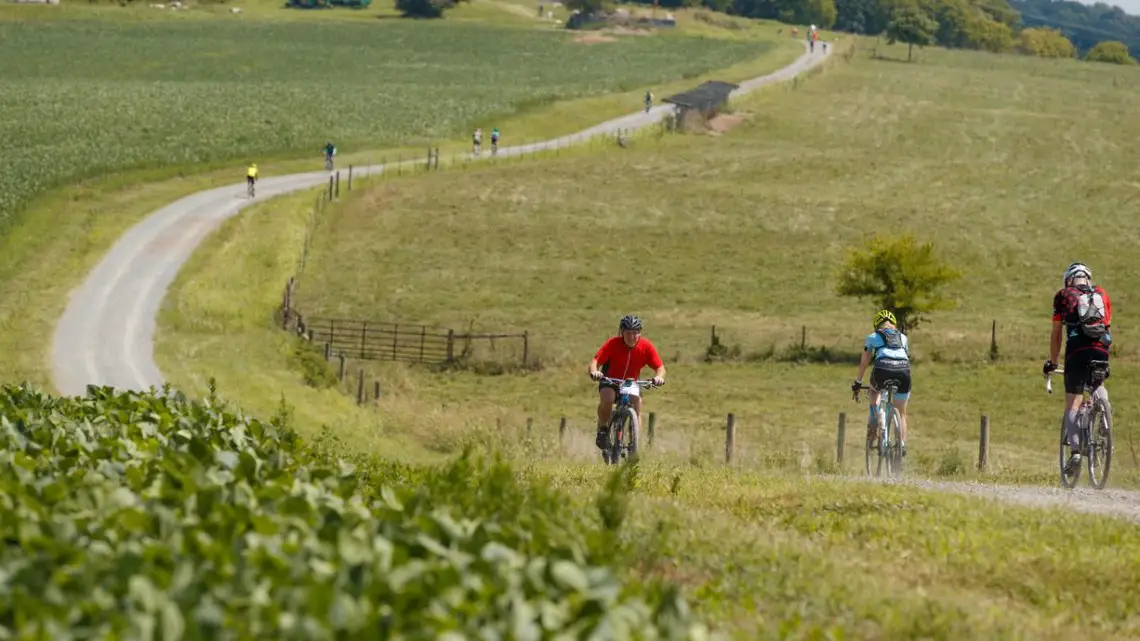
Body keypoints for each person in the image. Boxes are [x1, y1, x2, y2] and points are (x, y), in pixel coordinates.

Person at [1044, 262, 1112, 474]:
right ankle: (1105, 414)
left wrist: (1053, 362)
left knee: (1073, 403)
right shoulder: (1101, 293)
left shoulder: (1063, 295)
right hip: (1101, 349)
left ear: (1069, 279)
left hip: (1076, 351)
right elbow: (1107, 324)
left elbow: (1057, 333)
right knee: (1097, 383)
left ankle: (1074, 453)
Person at [587, 315, 666, 458]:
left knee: (636, 401)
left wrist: (659, 377)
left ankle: (634, 441)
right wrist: (595, 372)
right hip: (610, 379)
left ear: (640, 333)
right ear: (621, 332)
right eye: (628, 332)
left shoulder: (646, 346)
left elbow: (660, 366)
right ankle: (603, 428)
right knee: (608, 398)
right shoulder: (612, 344)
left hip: (630, 382)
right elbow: (595, 361)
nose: (632, 336)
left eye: (635, 332)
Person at [851, 309, 912, 456]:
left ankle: (880, 419)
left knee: (874, 391)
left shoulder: (872, 337)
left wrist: (858, 382)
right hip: (904, 371)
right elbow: (906, 357)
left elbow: (865, 361)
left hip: (882, 368)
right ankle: (901, 444)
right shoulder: (903, 337)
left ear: (876, 325)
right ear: (894, 325)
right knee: (902, 412)